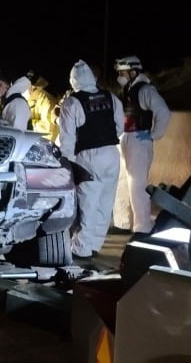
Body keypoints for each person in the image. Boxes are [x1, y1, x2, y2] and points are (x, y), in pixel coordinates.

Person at [57, 59, 124, 258]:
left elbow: (67, 138)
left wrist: (67, 163)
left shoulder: (72, 102)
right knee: (105, 202)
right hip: (112, 153)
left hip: (87, 156)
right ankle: (95, 244)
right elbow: (119, 127)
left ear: (73, 81)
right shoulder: (111, 97)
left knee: (88, 202)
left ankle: (81, 248)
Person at [112, 56, 171, 236]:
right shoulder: (127, 89)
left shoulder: (145, 90)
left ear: (133, 71)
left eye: (122, 72)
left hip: (138, 140)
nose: (119, 76)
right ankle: (122, 223)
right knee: (121, 181)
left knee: (137, 185)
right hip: (124, 138)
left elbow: (163, 111)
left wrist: (153, 134)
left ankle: (142, 227)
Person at [25, 70, 59, 142]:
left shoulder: (46, 99)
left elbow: (47, 129)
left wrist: (29, 124)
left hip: (45, 145)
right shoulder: (32, 97)